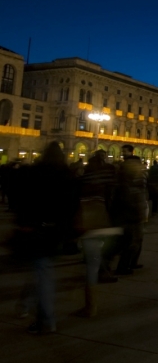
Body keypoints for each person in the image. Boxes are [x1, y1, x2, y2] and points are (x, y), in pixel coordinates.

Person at [14, 142, 74, 334]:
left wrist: (23, 223)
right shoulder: (66, 175)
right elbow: (71, 205)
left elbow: (23, 199)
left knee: (42, 271)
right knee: (41, 269)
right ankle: (25, 305)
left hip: (35, 228)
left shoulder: (35, 172)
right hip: (55, 231)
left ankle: (46, 319)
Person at [74, 150, 123, 317]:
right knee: (103, 256)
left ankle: (91, 305)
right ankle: (106, 271)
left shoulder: (85, 180)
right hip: (109, 224)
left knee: (91, 264)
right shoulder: (111, 179)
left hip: (92, 224)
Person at [112, 148, 148, 275]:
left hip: (126, 211)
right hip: (132, 212)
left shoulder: (121, 174)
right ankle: (123, 266)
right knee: (132, 240)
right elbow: (138, 195)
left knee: (130, 239)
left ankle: (129, 263)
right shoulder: (134, 177)